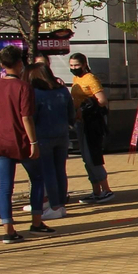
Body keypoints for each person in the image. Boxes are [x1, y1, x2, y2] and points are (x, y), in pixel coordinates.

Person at [0, 47, 42, 244]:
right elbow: (26, 117)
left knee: (5, 185)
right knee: (37, 178)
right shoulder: (24, 87)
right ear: (20, 63)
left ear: (1, 64)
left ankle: (8, 229)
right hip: (21, 139)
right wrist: (33, 142)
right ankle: (36, 221)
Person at [28, 63, 74, 220]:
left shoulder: (35, 93)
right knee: (60, 170)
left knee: (48, 171)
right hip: (62, 134)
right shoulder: (62, 90)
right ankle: (61, 205)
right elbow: (71, 112)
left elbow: (32, 117)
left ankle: (54, 205)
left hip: (43, 136)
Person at [66, 53, 114, 203]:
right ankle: (96, 191)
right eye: (71, 65)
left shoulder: (90, 78)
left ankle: (106, 189)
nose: (74, 68)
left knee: (93, 156)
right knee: (86, 158)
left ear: (84, 64)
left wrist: (85, 106)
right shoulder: (76, 79)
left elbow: (102, 100)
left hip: (91, 122)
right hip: (81, 122)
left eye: (76, 65)